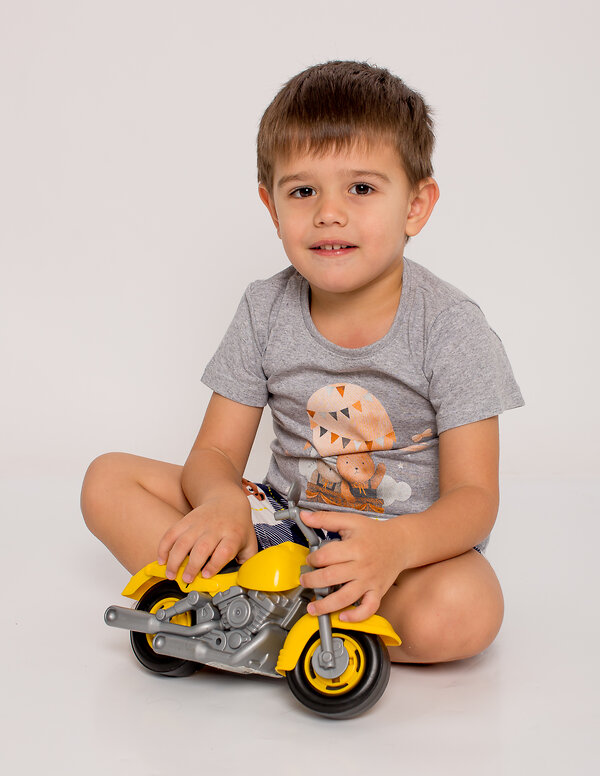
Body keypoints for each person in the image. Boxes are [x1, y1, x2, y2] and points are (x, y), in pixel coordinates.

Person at [81, 61, 523, 664]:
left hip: (394, 550)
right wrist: (221, 502)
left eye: (361, 188)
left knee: (467, 609)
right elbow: (214, 454)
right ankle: (265, 610)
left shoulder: (450, 327)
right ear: (272, 208)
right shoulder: (264, 309)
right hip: (279, 528)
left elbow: (474, 498)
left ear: (416, 206)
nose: (328, 213)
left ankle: (261, 616)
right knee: (108, 479)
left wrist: (397, 547)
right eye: (302, 191)